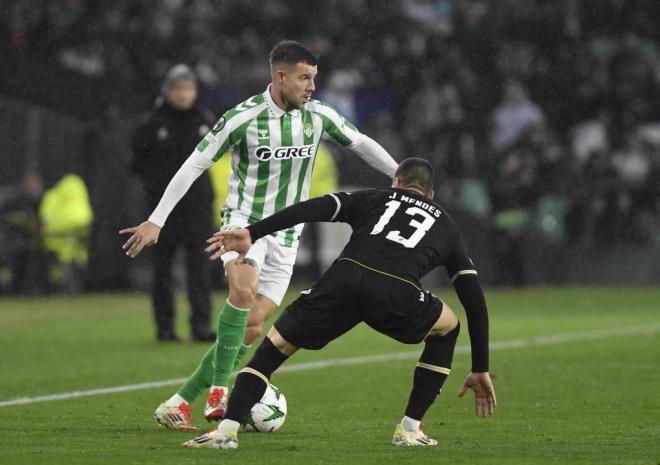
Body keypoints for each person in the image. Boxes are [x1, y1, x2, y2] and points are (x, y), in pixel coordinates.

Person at [119, 40, 398, 430]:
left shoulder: (318, 116)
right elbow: (194, 164)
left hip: (287, 234)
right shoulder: (242, 117)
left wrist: (399, 176)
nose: (312, 87)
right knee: (243, 290)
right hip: (243, 225)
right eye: (304, 78)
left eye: (314, 78)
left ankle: (179, 401)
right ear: (280, 77)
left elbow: (362, 144)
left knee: (252, 326)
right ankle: (219, 393)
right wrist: (157, 220)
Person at [184, 158, 496, 449]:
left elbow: (313, 208)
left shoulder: (377, 196)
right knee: (449, 327)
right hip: (396, 292)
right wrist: (480, 367)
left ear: (397, 183)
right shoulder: (447, 224)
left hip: (343, 280)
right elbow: (475, 303)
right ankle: (410, 429)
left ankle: (226, 431)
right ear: (432, 193)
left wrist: (253, 231)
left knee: (274, 348)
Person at [130, 64, 215, 342]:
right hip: (162, 209)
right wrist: (158, 188)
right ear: (168, 91)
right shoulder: (151, 124)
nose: (183, 94)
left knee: (199, 269)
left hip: (198, 207)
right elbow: (136, 164)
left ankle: (200, 325)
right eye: (178, 88)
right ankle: (165, 328)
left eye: (188, 88)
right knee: (162, 270)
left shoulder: (205, 120)